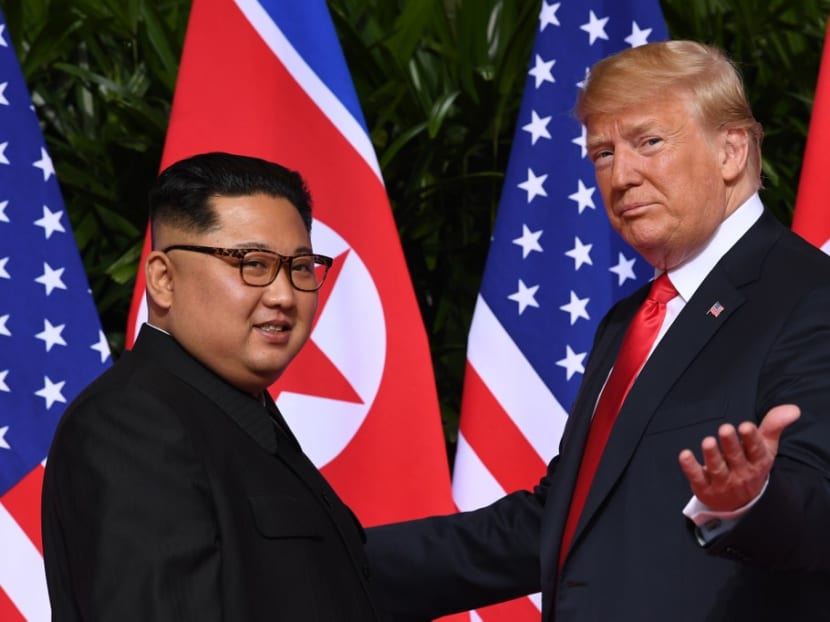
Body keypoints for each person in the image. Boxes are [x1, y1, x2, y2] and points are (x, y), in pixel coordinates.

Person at [366, 40, 830, 621]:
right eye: (603, 153)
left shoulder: (810, 296)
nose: (621, 176)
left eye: (649, 142)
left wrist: (752, 501)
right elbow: (561, 522)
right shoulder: (628, 319)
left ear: (731, 150)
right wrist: (330, 560)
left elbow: (818, 507)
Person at [42, 152, 381, 621]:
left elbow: (326, 575)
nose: (284, 295)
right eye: (252, 263)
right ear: (163, 279)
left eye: (301, 266)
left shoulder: (230, 407)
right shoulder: (130, 422)